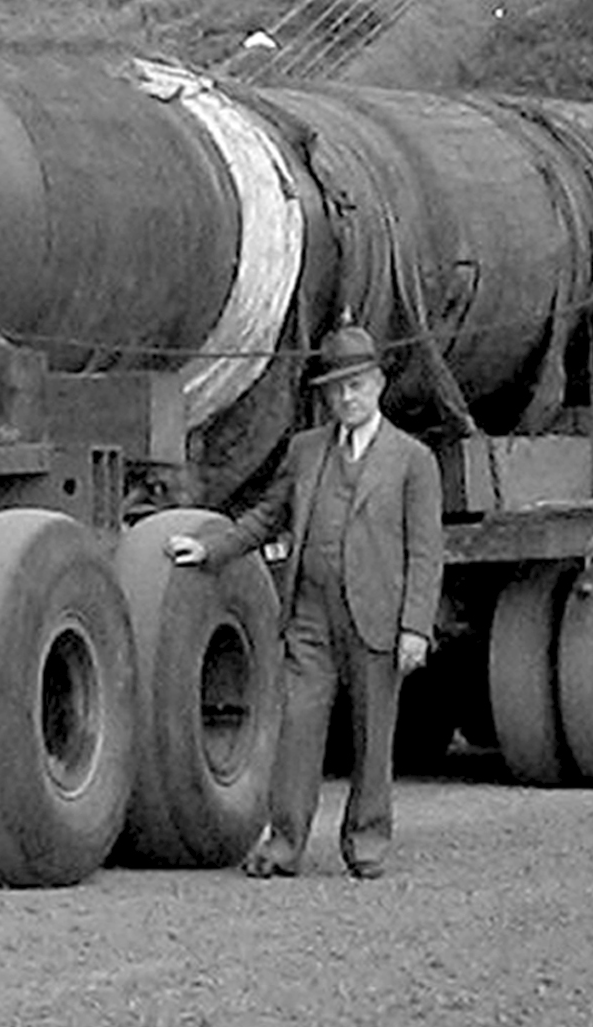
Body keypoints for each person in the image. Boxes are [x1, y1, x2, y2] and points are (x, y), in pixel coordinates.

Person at [168, 324, 443, 879]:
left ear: (379, 385)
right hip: (310, 614)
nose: (347, 398)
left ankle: (367, 843)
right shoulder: (305, 450)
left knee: (373, 736)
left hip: (378, 619)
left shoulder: (413, 461)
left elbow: (426, 550)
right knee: (298, 729)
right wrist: (211, 548)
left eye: (357, 386)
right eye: (337, 389)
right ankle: (284, 844)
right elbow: (267, 516)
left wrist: (415, 628)